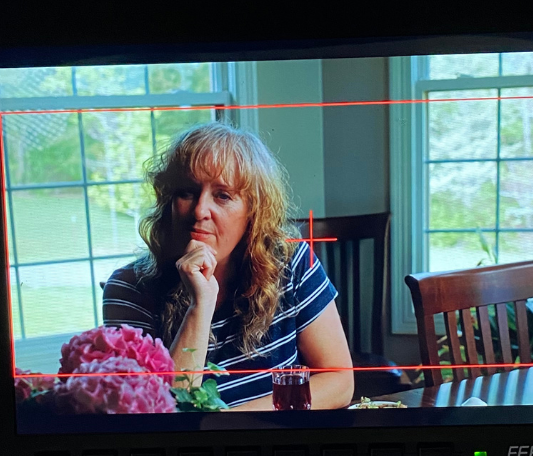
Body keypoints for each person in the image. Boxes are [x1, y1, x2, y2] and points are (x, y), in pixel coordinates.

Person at [103, 123, 354, 409]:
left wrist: (233, 422)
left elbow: (340, 380)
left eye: (223, 195)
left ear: (253, 211)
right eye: (186, 192)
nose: (200, 210)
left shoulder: (291, 262)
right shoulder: (128, 289)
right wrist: (200, 306)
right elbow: (161, 413)